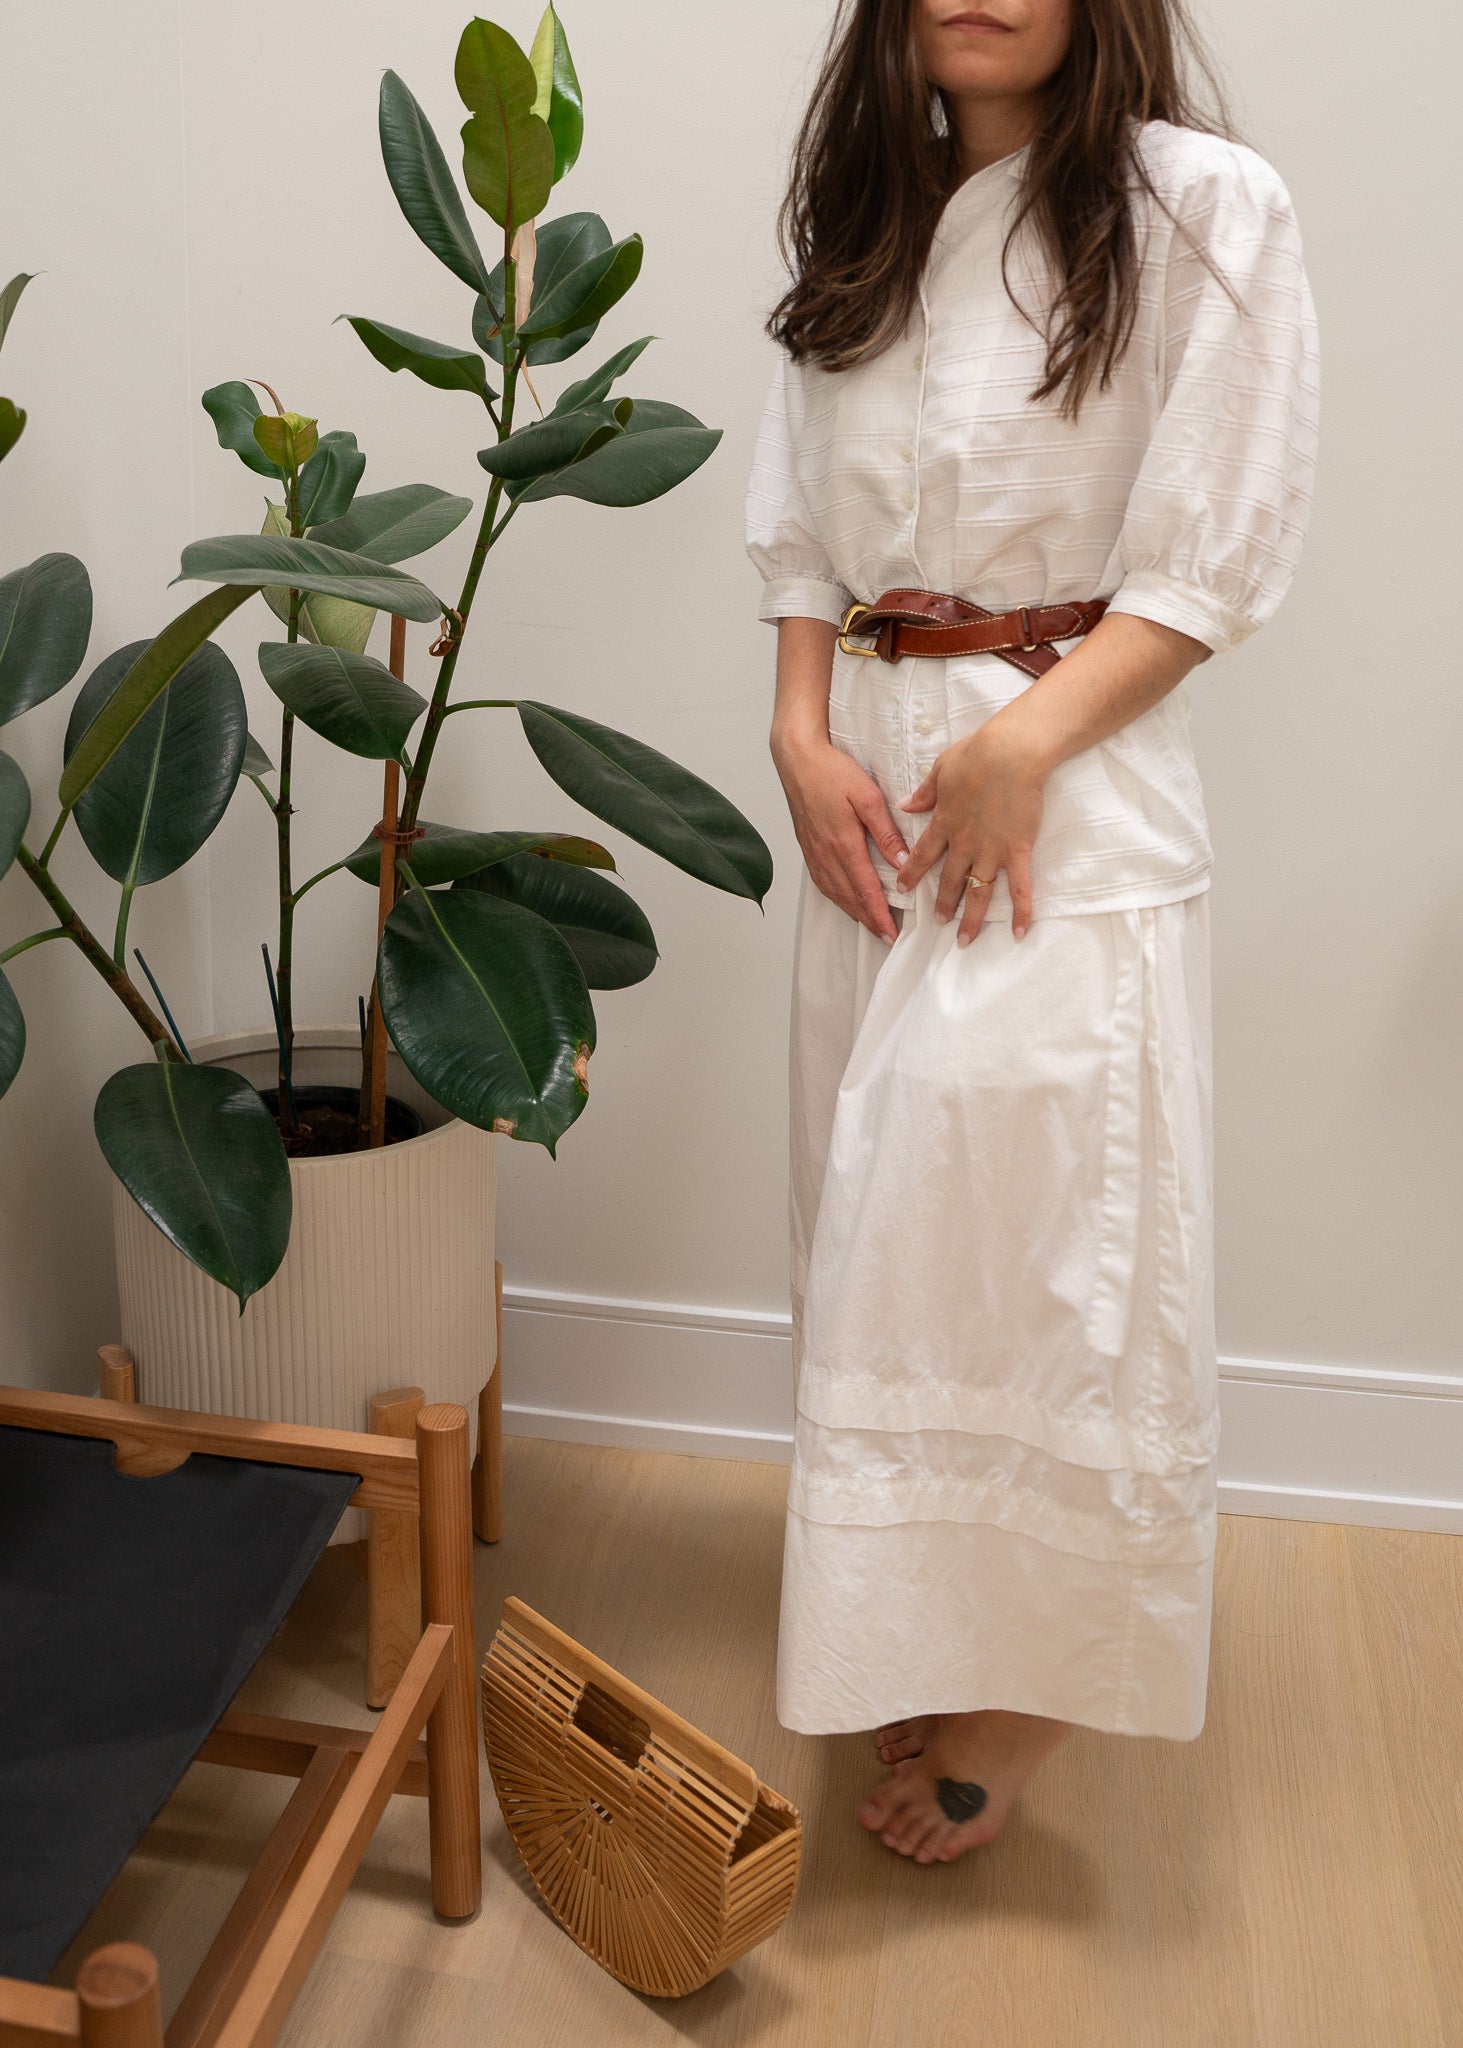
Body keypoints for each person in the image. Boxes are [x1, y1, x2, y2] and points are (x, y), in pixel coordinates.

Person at [745, 0, 1319, 1865]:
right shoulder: (872, 225)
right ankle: (923, 1620)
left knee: (1060, 1249)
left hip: (1063, 791)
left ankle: (1045, 1678)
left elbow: (1211, 557)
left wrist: (1020, 746)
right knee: (894, 1240)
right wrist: (798, 731)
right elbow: (799, 534)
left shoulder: (1200, 205)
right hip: (871, 812)